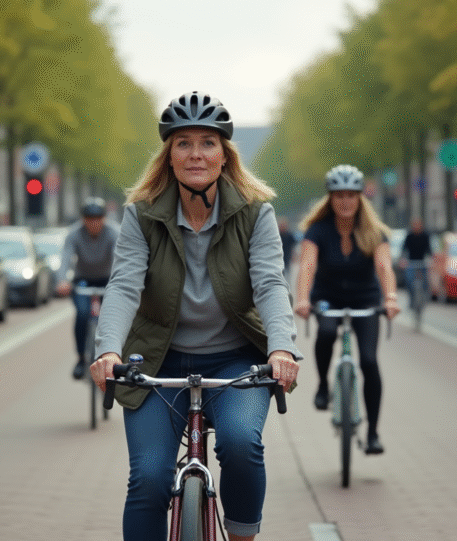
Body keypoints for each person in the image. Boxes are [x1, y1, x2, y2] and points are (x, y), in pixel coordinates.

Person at [89, 91, 300, 541]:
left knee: (243, 445)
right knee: (147, 479)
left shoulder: (254, 212)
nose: (196, 154)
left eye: (208, 142)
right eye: (183, 143)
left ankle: (242, 535)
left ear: (225, 156)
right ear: (168, 157)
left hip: (235, 361)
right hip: (156, 362)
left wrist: (282, 348)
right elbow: (124, 285)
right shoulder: (141, 216)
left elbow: (269, 284)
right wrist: (108, 351)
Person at [293, 164, 400, 455]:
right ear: (330, 199)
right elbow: (307, 265)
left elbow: (384, 266)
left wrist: (390, 298)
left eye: (351, 196)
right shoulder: (318, 230)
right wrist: (302, 299)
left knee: (368, 361)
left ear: (360, 198)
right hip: (327, 297)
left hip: (365, 298)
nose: (345, 202)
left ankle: (374, 433)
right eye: (339, 196)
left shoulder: (374, 232)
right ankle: (324, 387)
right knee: (326, 332)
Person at [55, 197, 118, 380]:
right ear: (83, 219)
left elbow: (119, 258)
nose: (94, 223)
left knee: (111, 316)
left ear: (104, 219)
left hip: (108, 279)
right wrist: (62, 281)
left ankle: (113, 356)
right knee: (82, 314)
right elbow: (65, 258)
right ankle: (81, 358)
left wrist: (120, 281)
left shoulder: (113, 233)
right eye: (89, 219)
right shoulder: (74, 234)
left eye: (98, 218)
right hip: (82, 280)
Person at [402, 217, 433, 309]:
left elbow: (429, 249)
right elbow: (404, 248)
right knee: (409, 280)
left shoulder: (425, 235)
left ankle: (425, 296)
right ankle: (411, 300)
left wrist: (431, 259)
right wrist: (403, 259)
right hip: (411, 262)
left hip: (422, 262)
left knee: (425, 280)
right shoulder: (409, 236)